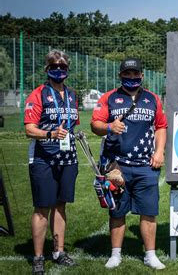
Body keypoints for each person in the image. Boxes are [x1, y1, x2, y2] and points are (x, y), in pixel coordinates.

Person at [91, 58, 167, 270]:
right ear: (120, 76)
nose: (131, 77)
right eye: (127, 74)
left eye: (135, 74)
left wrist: (160, 151)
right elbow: (95, 125)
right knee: (117, 211)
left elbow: (161, 126)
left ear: (142, 75)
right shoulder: (109, 98)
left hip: (146, 165)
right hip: (117, 165)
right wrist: (108, 126)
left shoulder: (152, 99)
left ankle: (150, 255)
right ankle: (115, 254)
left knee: (149, 211)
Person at [24, 50, 80, 274]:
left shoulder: (72, 94)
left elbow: (70, 123)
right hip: (43, 157)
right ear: (47, 69)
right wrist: (49, 135)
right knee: (42, 207)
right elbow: (29, 129)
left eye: (62, 66)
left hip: (67, 157)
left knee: (60, 205)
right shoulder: (38, 94)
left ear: (67, 69)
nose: (59, 70)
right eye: (54, 66)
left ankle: (59, 251)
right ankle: (38, 257)